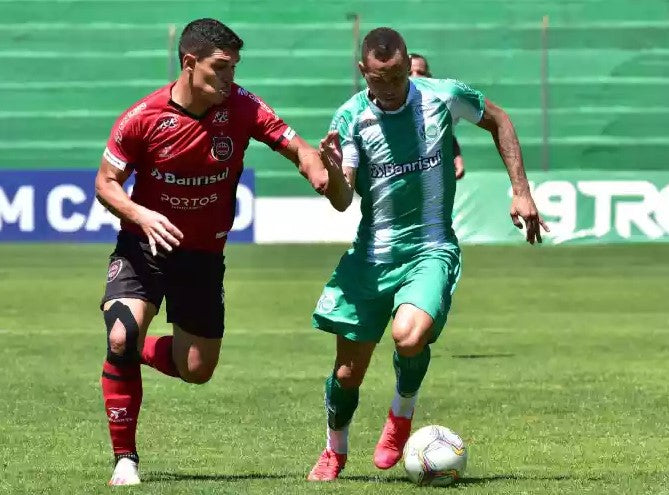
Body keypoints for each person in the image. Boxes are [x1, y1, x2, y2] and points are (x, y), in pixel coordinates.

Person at [95, 18, 347, 486]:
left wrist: (318, 169)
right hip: (144, 246)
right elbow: (105, 185)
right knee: (120, 334)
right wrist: (142, 216)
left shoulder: (243, 106)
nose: (229, 78)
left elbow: (297, 147)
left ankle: (134, 353)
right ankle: (125, 458)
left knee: (197, 370)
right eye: (221, 68)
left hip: (203, 257)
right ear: (189, 64)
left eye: (233, 68)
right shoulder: (142, 118)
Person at [307, 27, 548, 481]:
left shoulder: (442, 96)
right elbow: (342, 200)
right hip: (372, 256)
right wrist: (335, 172)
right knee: (346, 374)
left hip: (430, 245)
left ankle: (401, 416)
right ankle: (334, 449)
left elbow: (499, 119)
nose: (393, 87)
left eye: (399, 76)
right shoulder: (351, 118)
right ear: (364, 73)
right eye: (381, 79)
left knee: (410, 335)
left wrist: (521, 191)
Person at [410, 52, 465, 180]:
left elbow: (444, 134)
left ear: (429, 77)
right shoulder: (385, 107)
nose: (415, 77)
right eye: (409, 73)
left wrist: (456, 157)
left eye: (420, 72)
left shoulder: (437, 108)